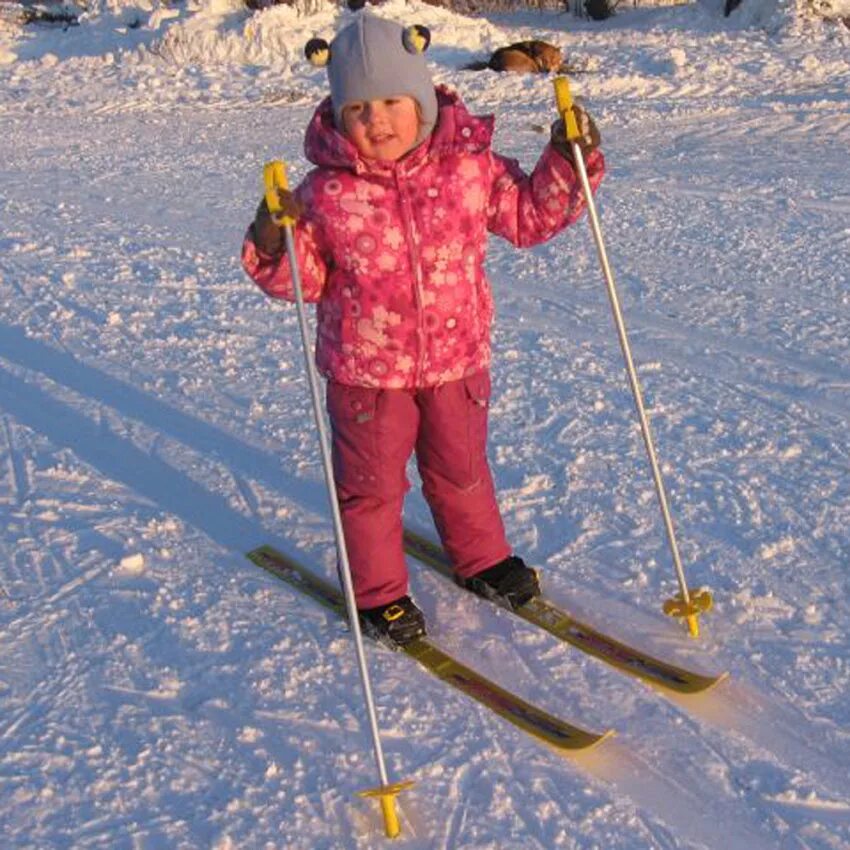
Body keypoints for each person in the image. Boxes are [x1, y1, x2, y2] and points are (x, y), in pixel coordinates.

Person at [242, 13, 604, 647]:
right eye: (357, 108)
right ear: (337, 113)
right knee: (373, 488)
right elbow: (303, 280)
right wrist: (274, 238)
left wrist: (568, 161)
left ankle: (483, 558)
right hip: (366, 375)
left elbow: (528, 216)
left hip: (457, 361)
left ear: (423, 102)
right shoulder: (325, 193)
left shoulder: (469, 168)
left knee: (461, 468)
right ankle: (378, 594)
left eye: (391, 102)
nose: (376, 121)